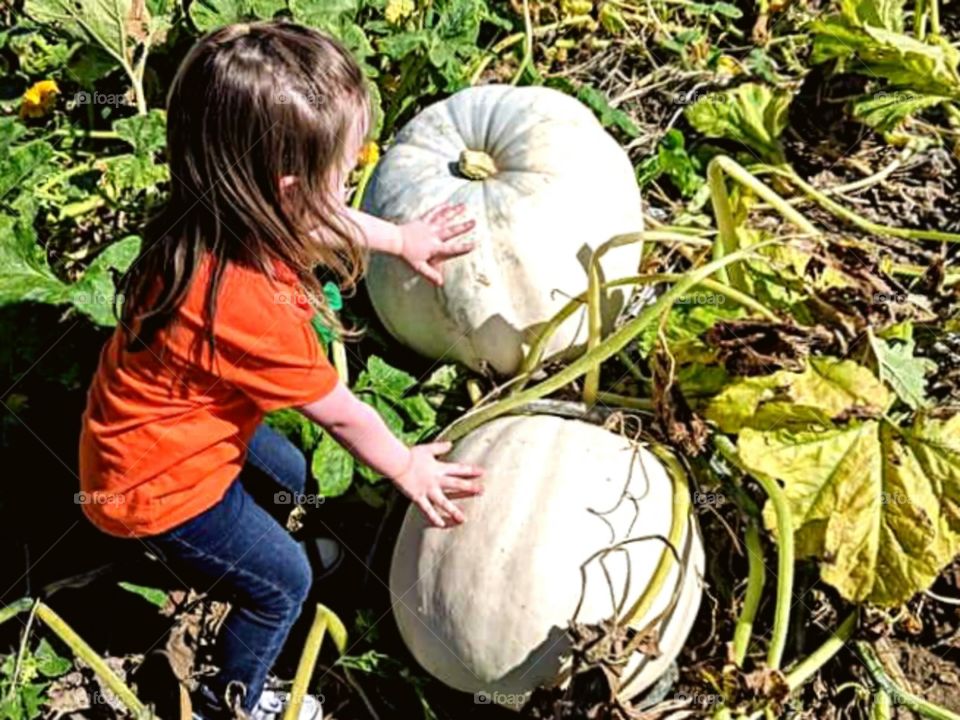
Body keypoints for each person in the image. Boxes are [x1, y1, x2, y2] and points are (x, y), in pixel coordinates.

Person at [78, 20, 484, 720]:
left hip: (151, 436)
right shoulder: (250, 306)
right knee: (280, 586)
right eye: (347, 171)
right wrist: (408, 468)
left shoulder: (208, 215)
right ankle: (231, 696)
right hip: (154, 486)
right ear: (286, 187)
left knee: (293, 476)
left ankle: (267, 541)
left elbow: (313, 218)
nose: (353, 178)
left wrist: (398, 240)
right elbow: (343, 413)